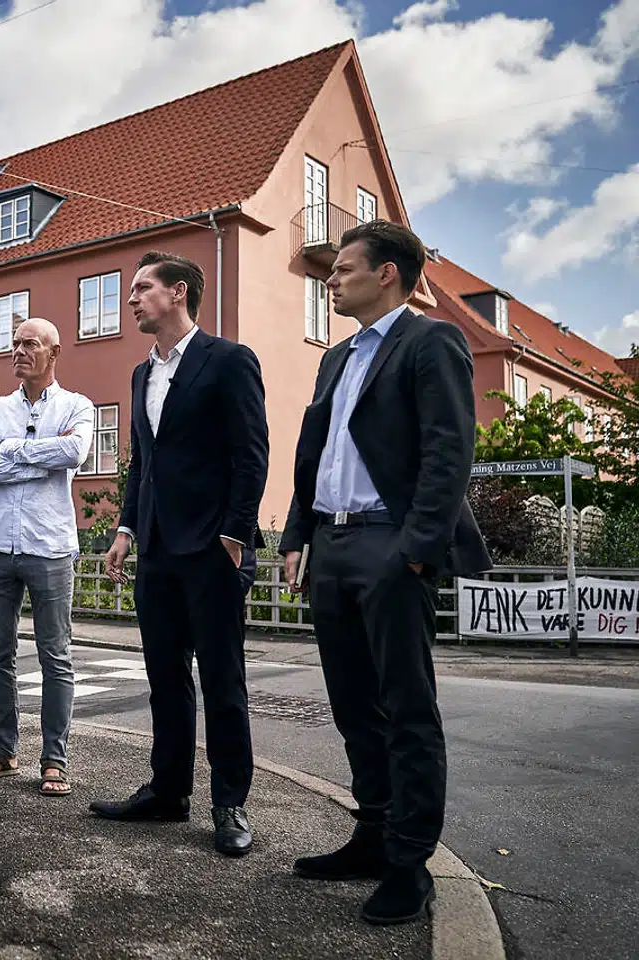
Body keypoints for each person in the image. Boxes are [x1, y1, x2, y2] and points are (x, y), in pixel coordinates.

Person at [279, 220, 490, 924]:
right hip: (333, 545)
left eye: (343, 269)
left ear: (387, 274)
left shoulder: (431, 341)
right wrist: (298, 533)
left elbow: (448, 451)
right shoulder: (336, 359)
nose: (331, 279)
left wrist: (416, 552)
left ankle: (409, 864)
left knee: (407, 710)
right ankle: (372, 835)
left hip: (389, 545)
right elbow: (315, 455)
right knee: (353, 705)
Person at [91, 251, 268, 859]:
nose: (131, 299)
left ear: (179, 293)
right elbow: (143, 462)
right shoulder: (142, 374)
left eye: (142, 288)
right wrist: (125, 530)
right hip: (159, 549)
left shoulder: (229, 361)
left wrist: (236, 534)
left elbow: (251, 453)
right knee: (165, 678)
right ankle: (169, 792)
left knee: (222, 681)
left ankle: (229, 803)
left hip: (214, 549)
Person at [0, 317, 95, 798]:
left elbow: (74, 452)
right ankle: (4, 751)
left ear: (54, 353)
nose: (18, 351)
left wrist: (14, 449)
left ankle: (54, 760)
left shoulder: (77, 405)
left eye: (30, 344)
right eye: (15, 343)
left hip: (50, 546)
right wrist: (38, 463)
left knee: (55, 656)